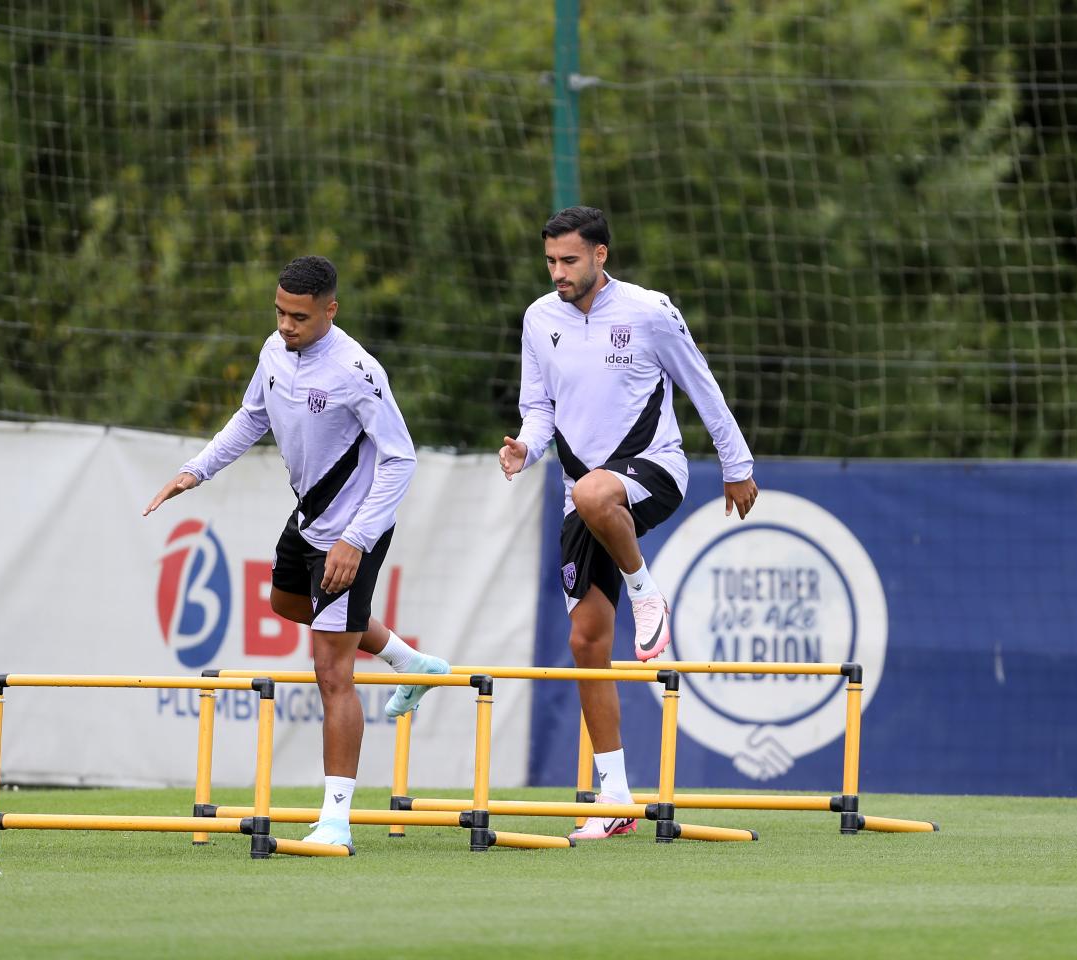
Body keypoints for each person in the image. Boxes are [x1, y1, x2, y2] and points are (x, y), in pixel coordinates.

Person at [144, 255, 449, 849]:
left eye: (299, 317)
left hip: (354, 532)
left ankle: (335, 822)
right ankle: (410, 661)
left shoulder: (358, 370)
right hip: (308, 521)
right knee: (284, 603)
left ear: (330, 310)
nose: (286, 325)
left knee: (332, 672)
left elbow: (400, 458)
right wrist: (195, 470)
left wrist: (355, 540)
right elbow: (251, 416)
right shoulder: (273, 351)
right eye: (280, 312)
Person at [499, 207, 758, 840]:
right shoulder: (539, 319)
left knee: (595, 492)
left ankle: (646, 593)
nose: (558, 273)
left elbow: (702, 385)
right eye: (550, 262)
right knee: (587, 643)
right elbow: (538, 409)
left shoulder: (650, 311)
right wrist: (525, 448)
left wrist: (737, 464)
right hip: (582, 494)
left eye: (570, 261)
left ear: (601, 255)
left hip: (654, 470)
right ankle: (614, 796)